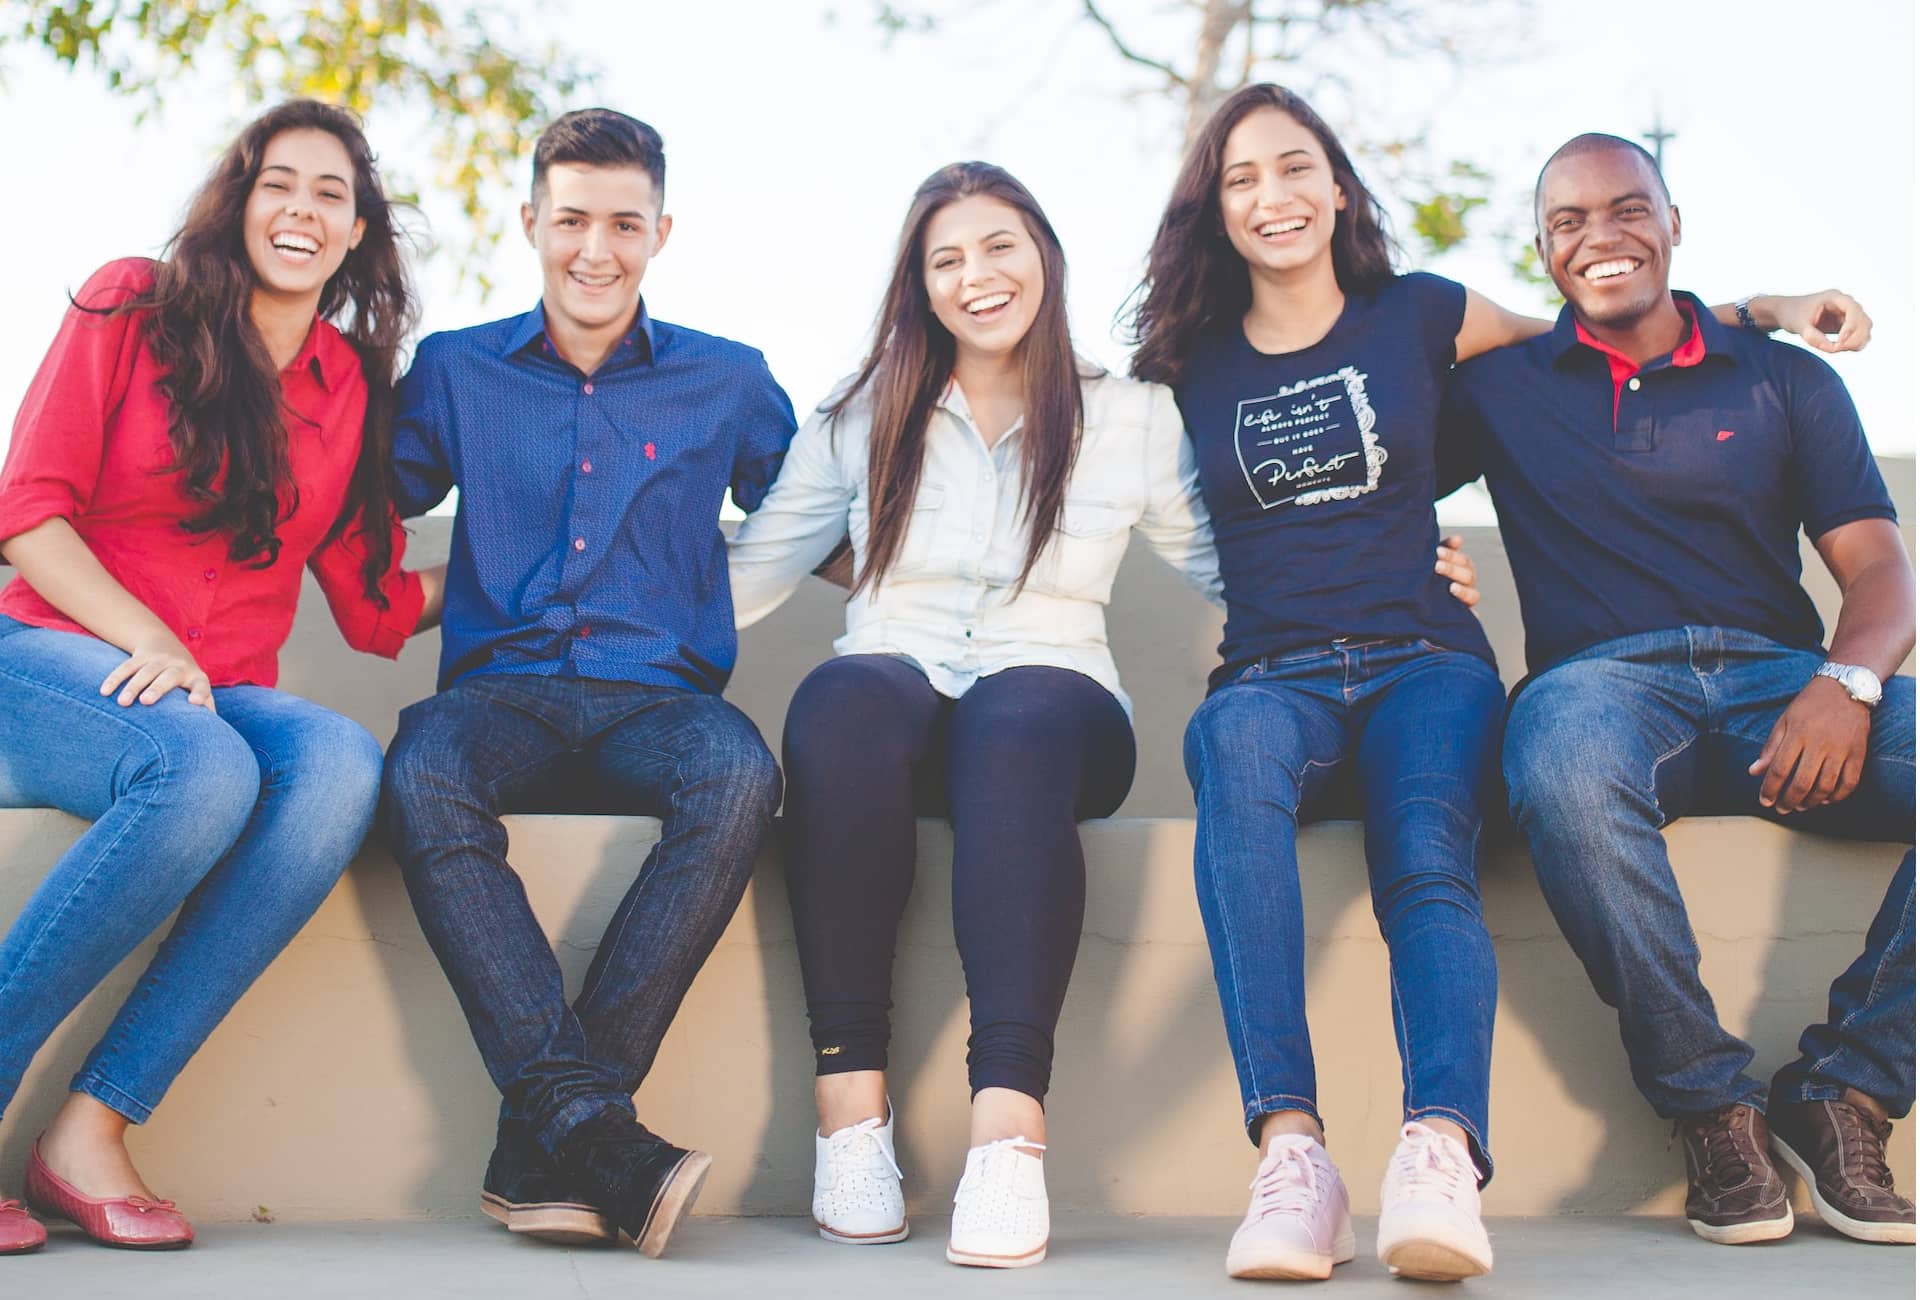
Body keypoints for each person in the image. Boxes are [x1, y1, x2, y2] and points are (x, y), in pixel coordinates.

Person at [1127, 82, 1866, 1282]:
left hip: (1428, 659)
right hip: (1270, 672)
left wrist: (1766, 308)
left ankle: (1438, 1150)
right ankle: (1293, 1155)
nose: (1276, 196)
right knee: (1235, 765)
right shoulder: (1182, 364)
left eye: (1298, 166)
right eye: (1244, 177)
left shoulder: (1421, 314)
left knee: (1426, 852)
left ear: (1338, 186)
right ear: (1212, 208)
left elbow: (1603, 333)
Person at [726, 160, 1483, 1270]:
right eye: (946, 259)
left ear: (1044, 258)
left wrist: (1394, 570)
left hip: (1056, 702)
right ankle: (852, 1120)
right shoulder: (862, 411)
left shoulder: (1128, 415)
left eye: (999, 247)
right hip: (894, 687)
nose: (976, 276)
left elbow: (1243, 562)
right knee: (838, 701)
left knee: (1017, 719)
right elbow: (750, 571)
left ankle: (1007, 1134)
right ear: (919, 285)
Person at [1441, 132, 1914, 1248]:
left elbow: (1879, 567)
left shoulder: (1784, 375)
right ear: (1543, 251)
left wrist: (1848, 682)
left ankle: (1845, 1089)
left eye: (1626, 210)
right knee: (1555, 761)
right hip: (1598, 691)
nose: (1600, 238)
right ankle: (1711, 1110)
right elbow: (1374, 375)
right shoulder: (1499, 388)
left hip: (1784, 687)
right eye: (1568, 223)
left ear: (1674, 222)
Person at [0, 100, 437, 1254]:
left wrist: (553, 568)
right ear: (241, 202)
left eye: (330, 193)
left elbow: (373, 598)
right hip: (49, 650)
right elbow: (27, 515)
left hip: (214, 688)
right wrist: (146, 636)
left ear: (355, 233)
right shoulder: (129, 302)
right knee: (200, 771)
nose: (301, 208)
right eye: (278, 183)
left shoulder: (349, 385)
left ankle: (89, 1128)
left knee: (339, 764)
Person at [380, 108, 797, 1260]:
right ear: (530, 222)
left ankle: (553, 1138)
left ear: (663, 231)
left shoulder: (730, 379)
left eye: (624, 222)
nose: (595, 250)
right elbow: (358, 500)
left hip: (659, 699)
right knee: (420, 771)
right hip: (496, 695)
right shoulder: (457, 369)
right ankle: (597, 1134)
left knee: (739, 774)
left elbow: (832, 511)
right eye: (571, 220)